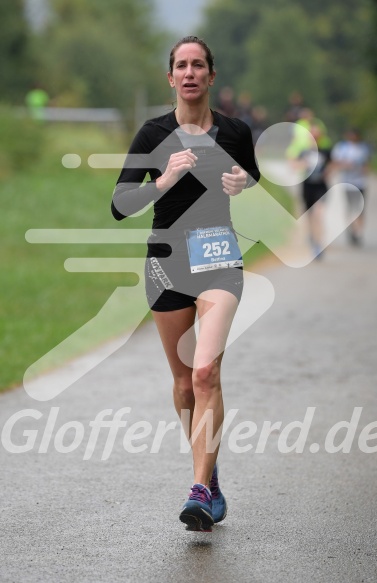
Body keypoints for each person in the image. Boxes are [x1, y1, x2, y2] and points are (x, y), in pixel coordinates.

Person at [111, 36, 260, 532]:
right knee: (181, 382)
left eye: (199, 65)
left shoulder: (236, 131)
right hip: (166, 263)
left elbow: (250, 175)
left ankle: (197, 490)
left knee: (204, 375)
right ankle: (210, 475)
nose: (191, 72)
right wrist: (163, 181)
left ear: (211, 76)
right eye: (182, 65)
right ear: (170, 78)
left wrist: (242, 182)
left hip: (219, 259)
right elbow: (120, 205)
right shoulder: (153, 133)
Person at [294, 124, 332, 258]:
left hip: (321, 187)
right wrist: (302, 164)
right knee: (309, 216)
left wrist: (328, 171)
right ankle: (312, 237)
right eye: (312, 135)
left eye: (317, 135)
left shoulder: (326, 151)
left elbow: (332, 165)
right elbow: (294, 165)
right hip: (307, 186)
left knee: (318, 214)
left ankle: (318, 244)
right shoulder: (304, 152)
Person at [331, 129, 371, 246]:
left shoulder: (363, 148)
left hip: (361, 182)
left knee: (360, 208)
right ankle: (351, 229)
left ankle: (358, 232)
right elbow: (336, 163)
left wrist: (364, 169)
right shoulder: (342, 147)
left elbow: (367, 165)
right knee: (350, 208)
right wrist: (347, 165)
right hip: (347, 183)